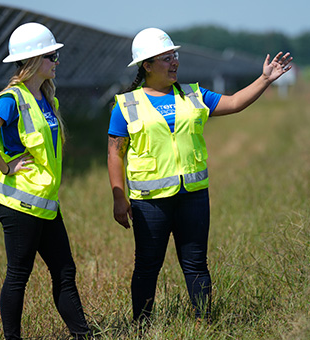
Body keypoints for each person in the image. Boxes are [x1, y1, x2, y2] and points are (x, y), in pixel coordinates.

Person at [107, 27, 292, 323]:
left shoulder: (194, 94)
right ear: (147, 65)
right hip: (149, 203)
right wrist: (119, 197)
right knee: (146, 266)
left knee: (196, 265)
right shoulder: (126, 105)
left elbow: (234, 103)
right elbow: (115, 153)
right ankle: (141, 327)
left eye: (174, 55)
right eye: (166, 58)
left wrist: (265, 79)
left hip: (192, 197)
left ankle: (204, 323)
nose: (174, 62)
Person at [0, 22, 91, 340]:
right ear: (33, 60)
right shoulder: (12, 98)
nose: (56, 61)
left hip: (44, 202)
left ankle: (83, 335)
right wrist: (7, 167)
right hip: (20, 203)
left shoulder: (45, 97)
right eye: (52, 55)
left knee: (65, 270)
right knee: (18, 276)